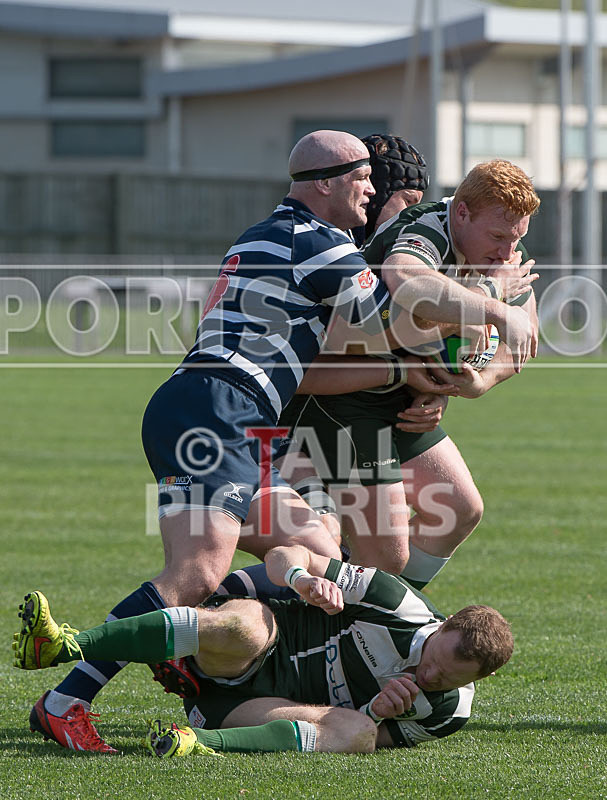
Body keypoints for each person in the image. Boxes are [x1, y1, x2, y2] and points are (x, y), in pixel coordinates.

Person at [28, 131, 533, 752]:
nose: (372, 190)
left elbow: (395, 340)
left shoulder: (270, 231)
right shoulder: (320, 244)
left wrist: (449, 362)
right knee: (195, 568)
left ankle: (191, 642)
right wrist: (492, 302)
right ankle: (67, 695)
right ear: (326, 182)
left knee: (314, 542)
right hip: (217, 408)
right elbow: (397, 321)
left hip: (226, 412)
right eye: (361, 178)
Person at [225, 150, 541, 600]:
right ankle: (278, 617)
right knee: (383, 557)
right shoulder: (429, 226)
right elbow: (408, 282)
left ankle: (365, 623)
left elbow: (524, 333)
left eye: (517, 239)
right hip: (339, 396)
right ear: (462, 212)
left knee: (458, 508)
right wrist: (490, 300)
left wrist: (478, 380)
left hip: (395, 396)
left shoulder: (501, 243)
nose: (508, 252)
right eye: (497, 237)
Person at [13, 543, 514, 755]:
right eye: (433, 661)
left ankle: (195, 746)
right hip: (262, 643)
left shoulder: (448, 712)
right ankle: (66, 645)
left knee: (359, 734)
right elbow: (284, 554)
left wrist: (375, 713)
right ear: (443, 624)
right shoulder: (395, 601)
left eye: (446, 678)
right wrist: (302, 578)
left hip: (247, 709)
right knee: (246, 628)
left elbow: (363, 739)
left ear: (476, 681)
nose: (429, 676)